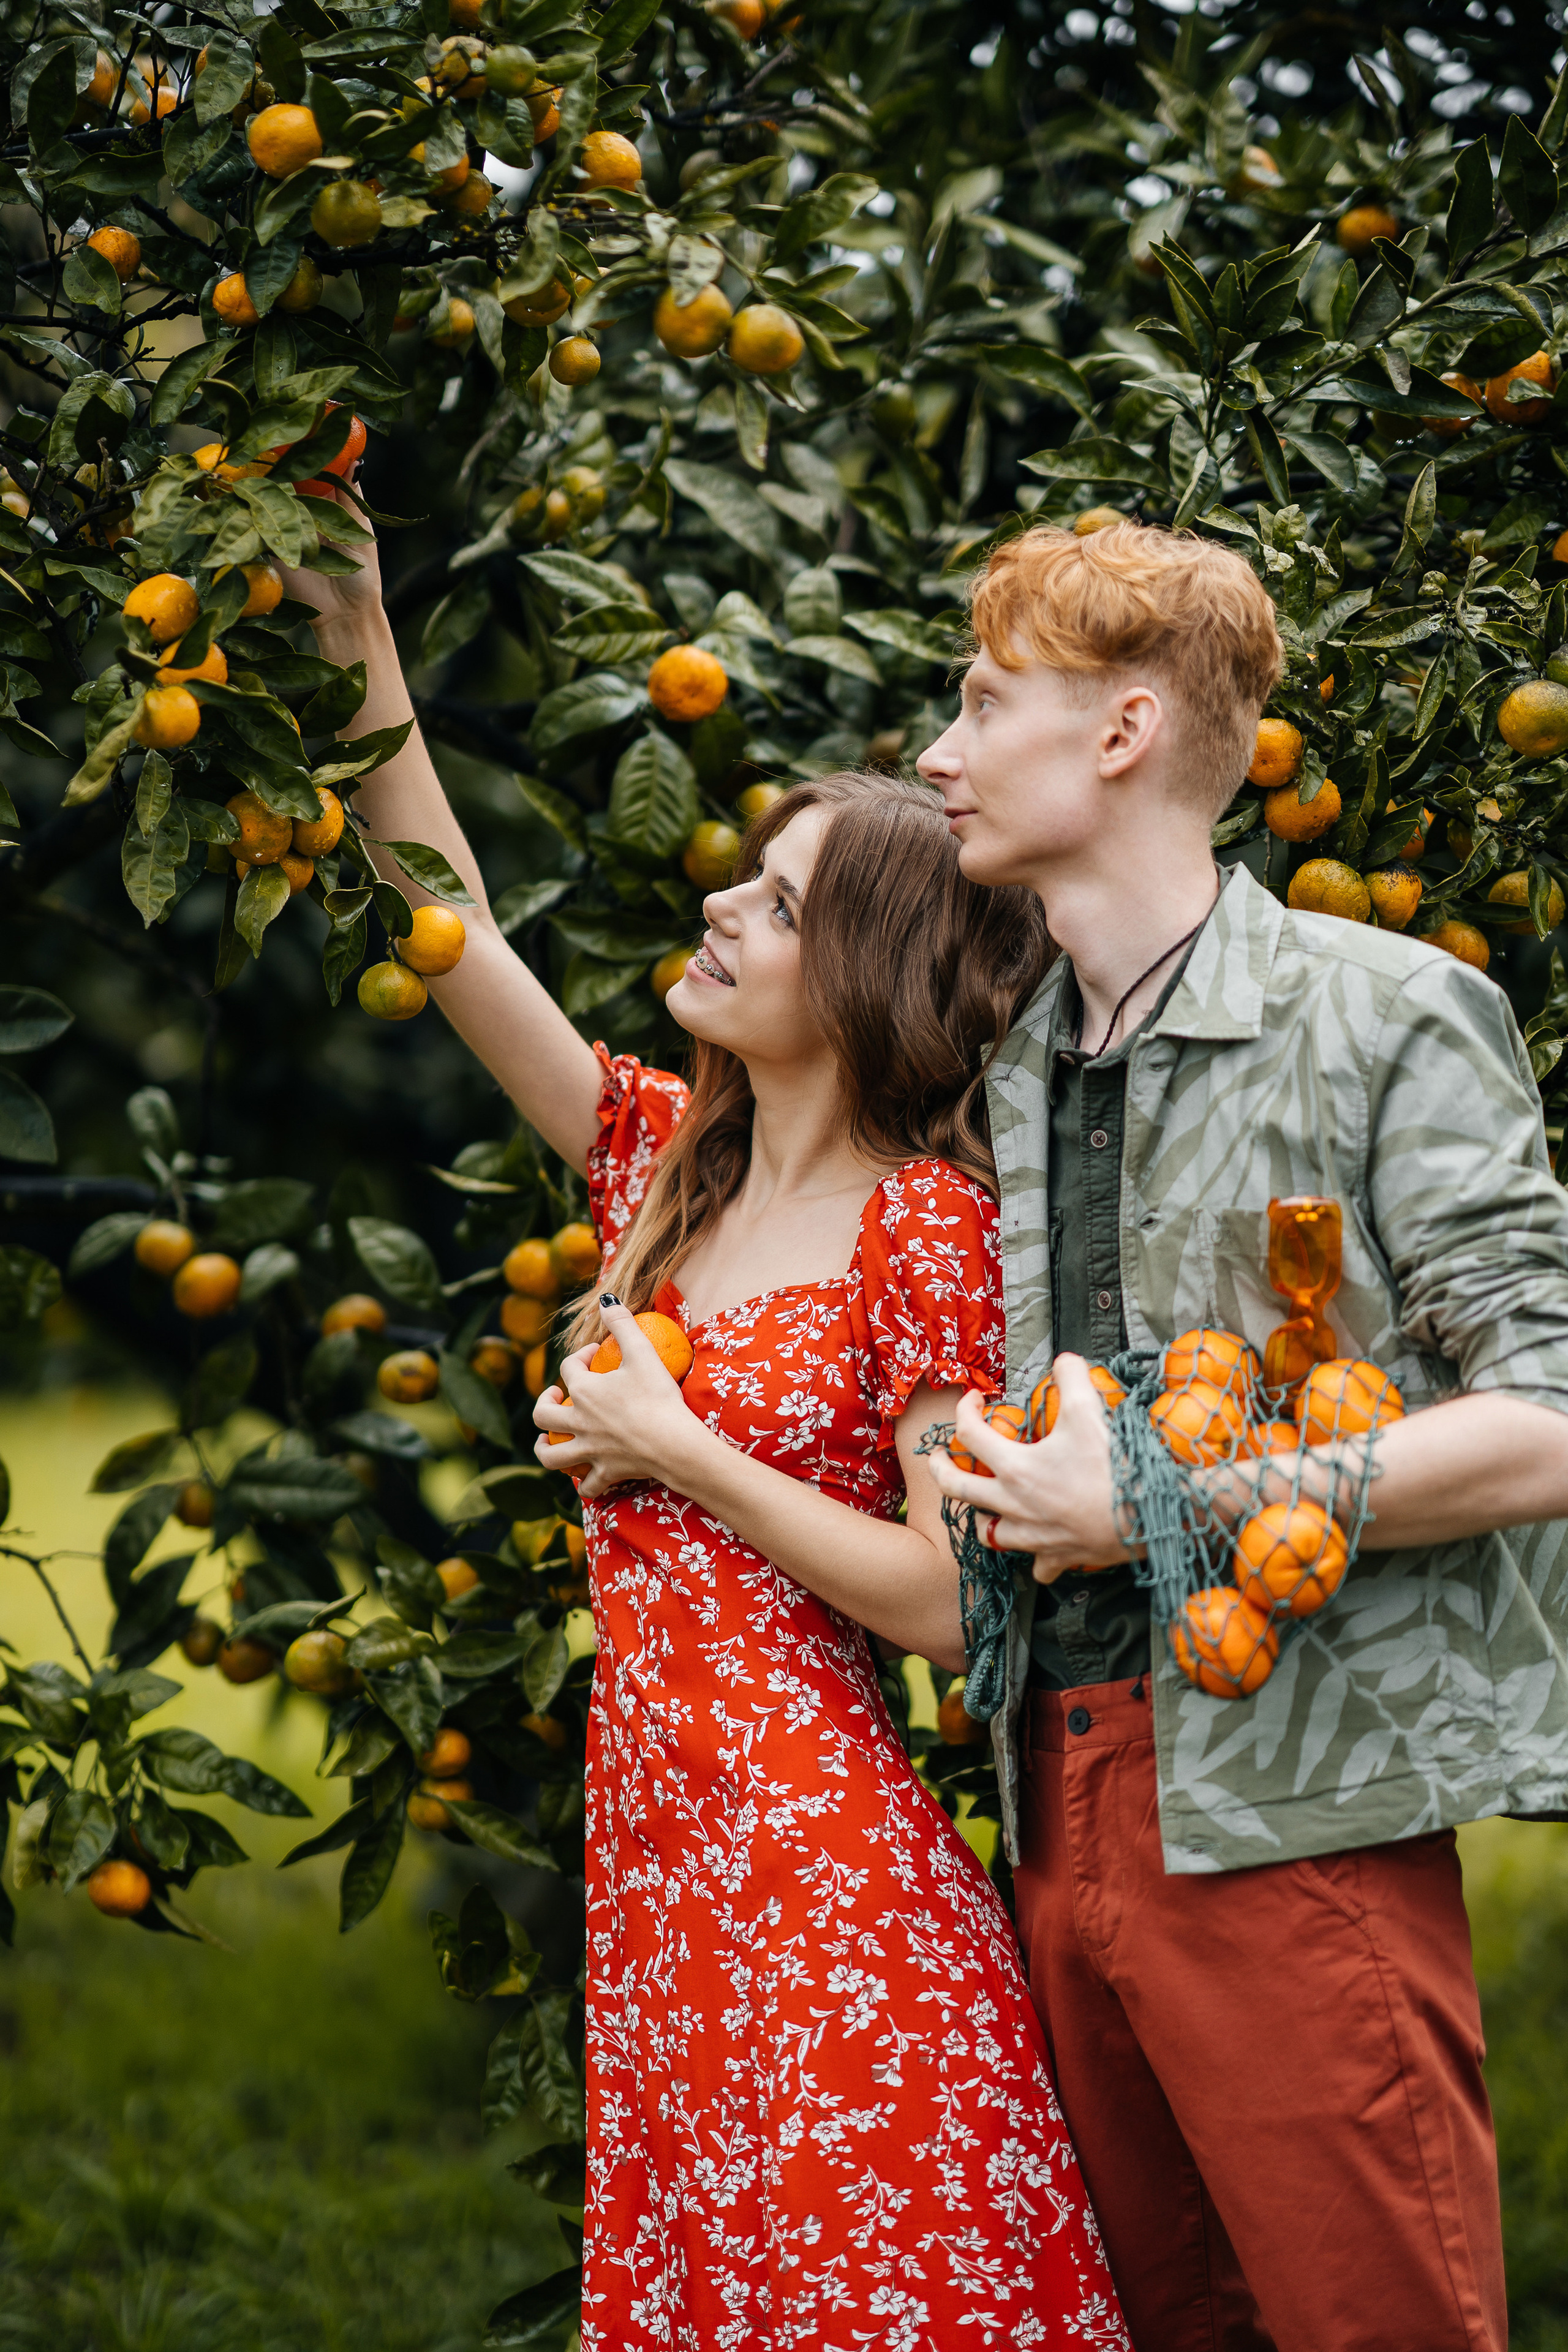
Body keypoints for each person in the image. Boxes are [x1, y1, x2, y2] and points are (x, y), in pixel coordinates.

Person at [284, 530, 1129, 2352]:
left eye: (782, 901)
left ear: (869, 972)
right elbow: (456, 933)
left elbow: (948, 1618)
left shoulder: (924, 1229)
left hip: (823, 1872)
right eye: (744, 878)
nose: (726, 909)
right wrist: (361, 643)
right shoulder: (667, 1163)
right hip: (667, 1871)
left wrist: (680, 1445)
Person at [919, 518, 1568, 2352]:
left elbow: (1550, 1423)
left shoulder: (1387, 1013)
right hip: (1056, 1795)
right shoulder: (1012, 1066)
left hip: (1300, 1810)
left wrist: (1166, 1502)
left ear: (1122, 732)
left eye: (981, 703)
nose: (938, 753)